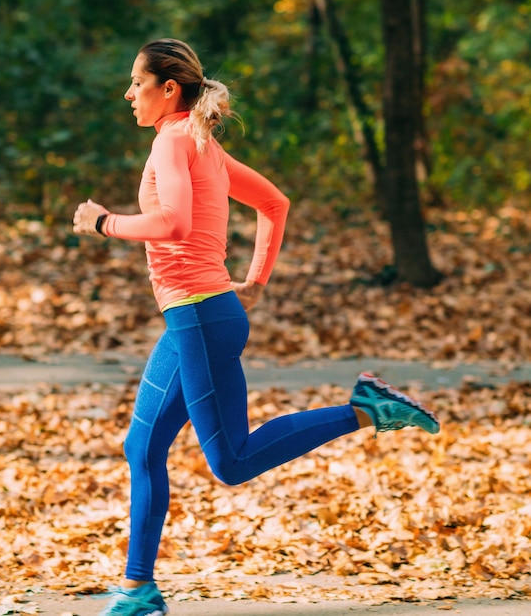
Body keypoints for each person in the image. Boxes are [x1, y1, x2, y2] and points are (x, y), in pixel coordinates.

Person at [72, 38, 440, 616]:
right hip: (199, 316)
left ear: (168, 90)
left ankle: (367, 408)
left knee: (232, 462)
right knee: (141, 447)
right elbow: (276, 203)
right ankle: (138, 590)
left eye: (136, 83)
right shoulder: (202, 145)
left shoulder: (174, 141)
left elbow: (172, 222)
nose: (128, 94)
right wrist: (257, 280)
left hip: (199, 316)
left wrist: (103, 222)